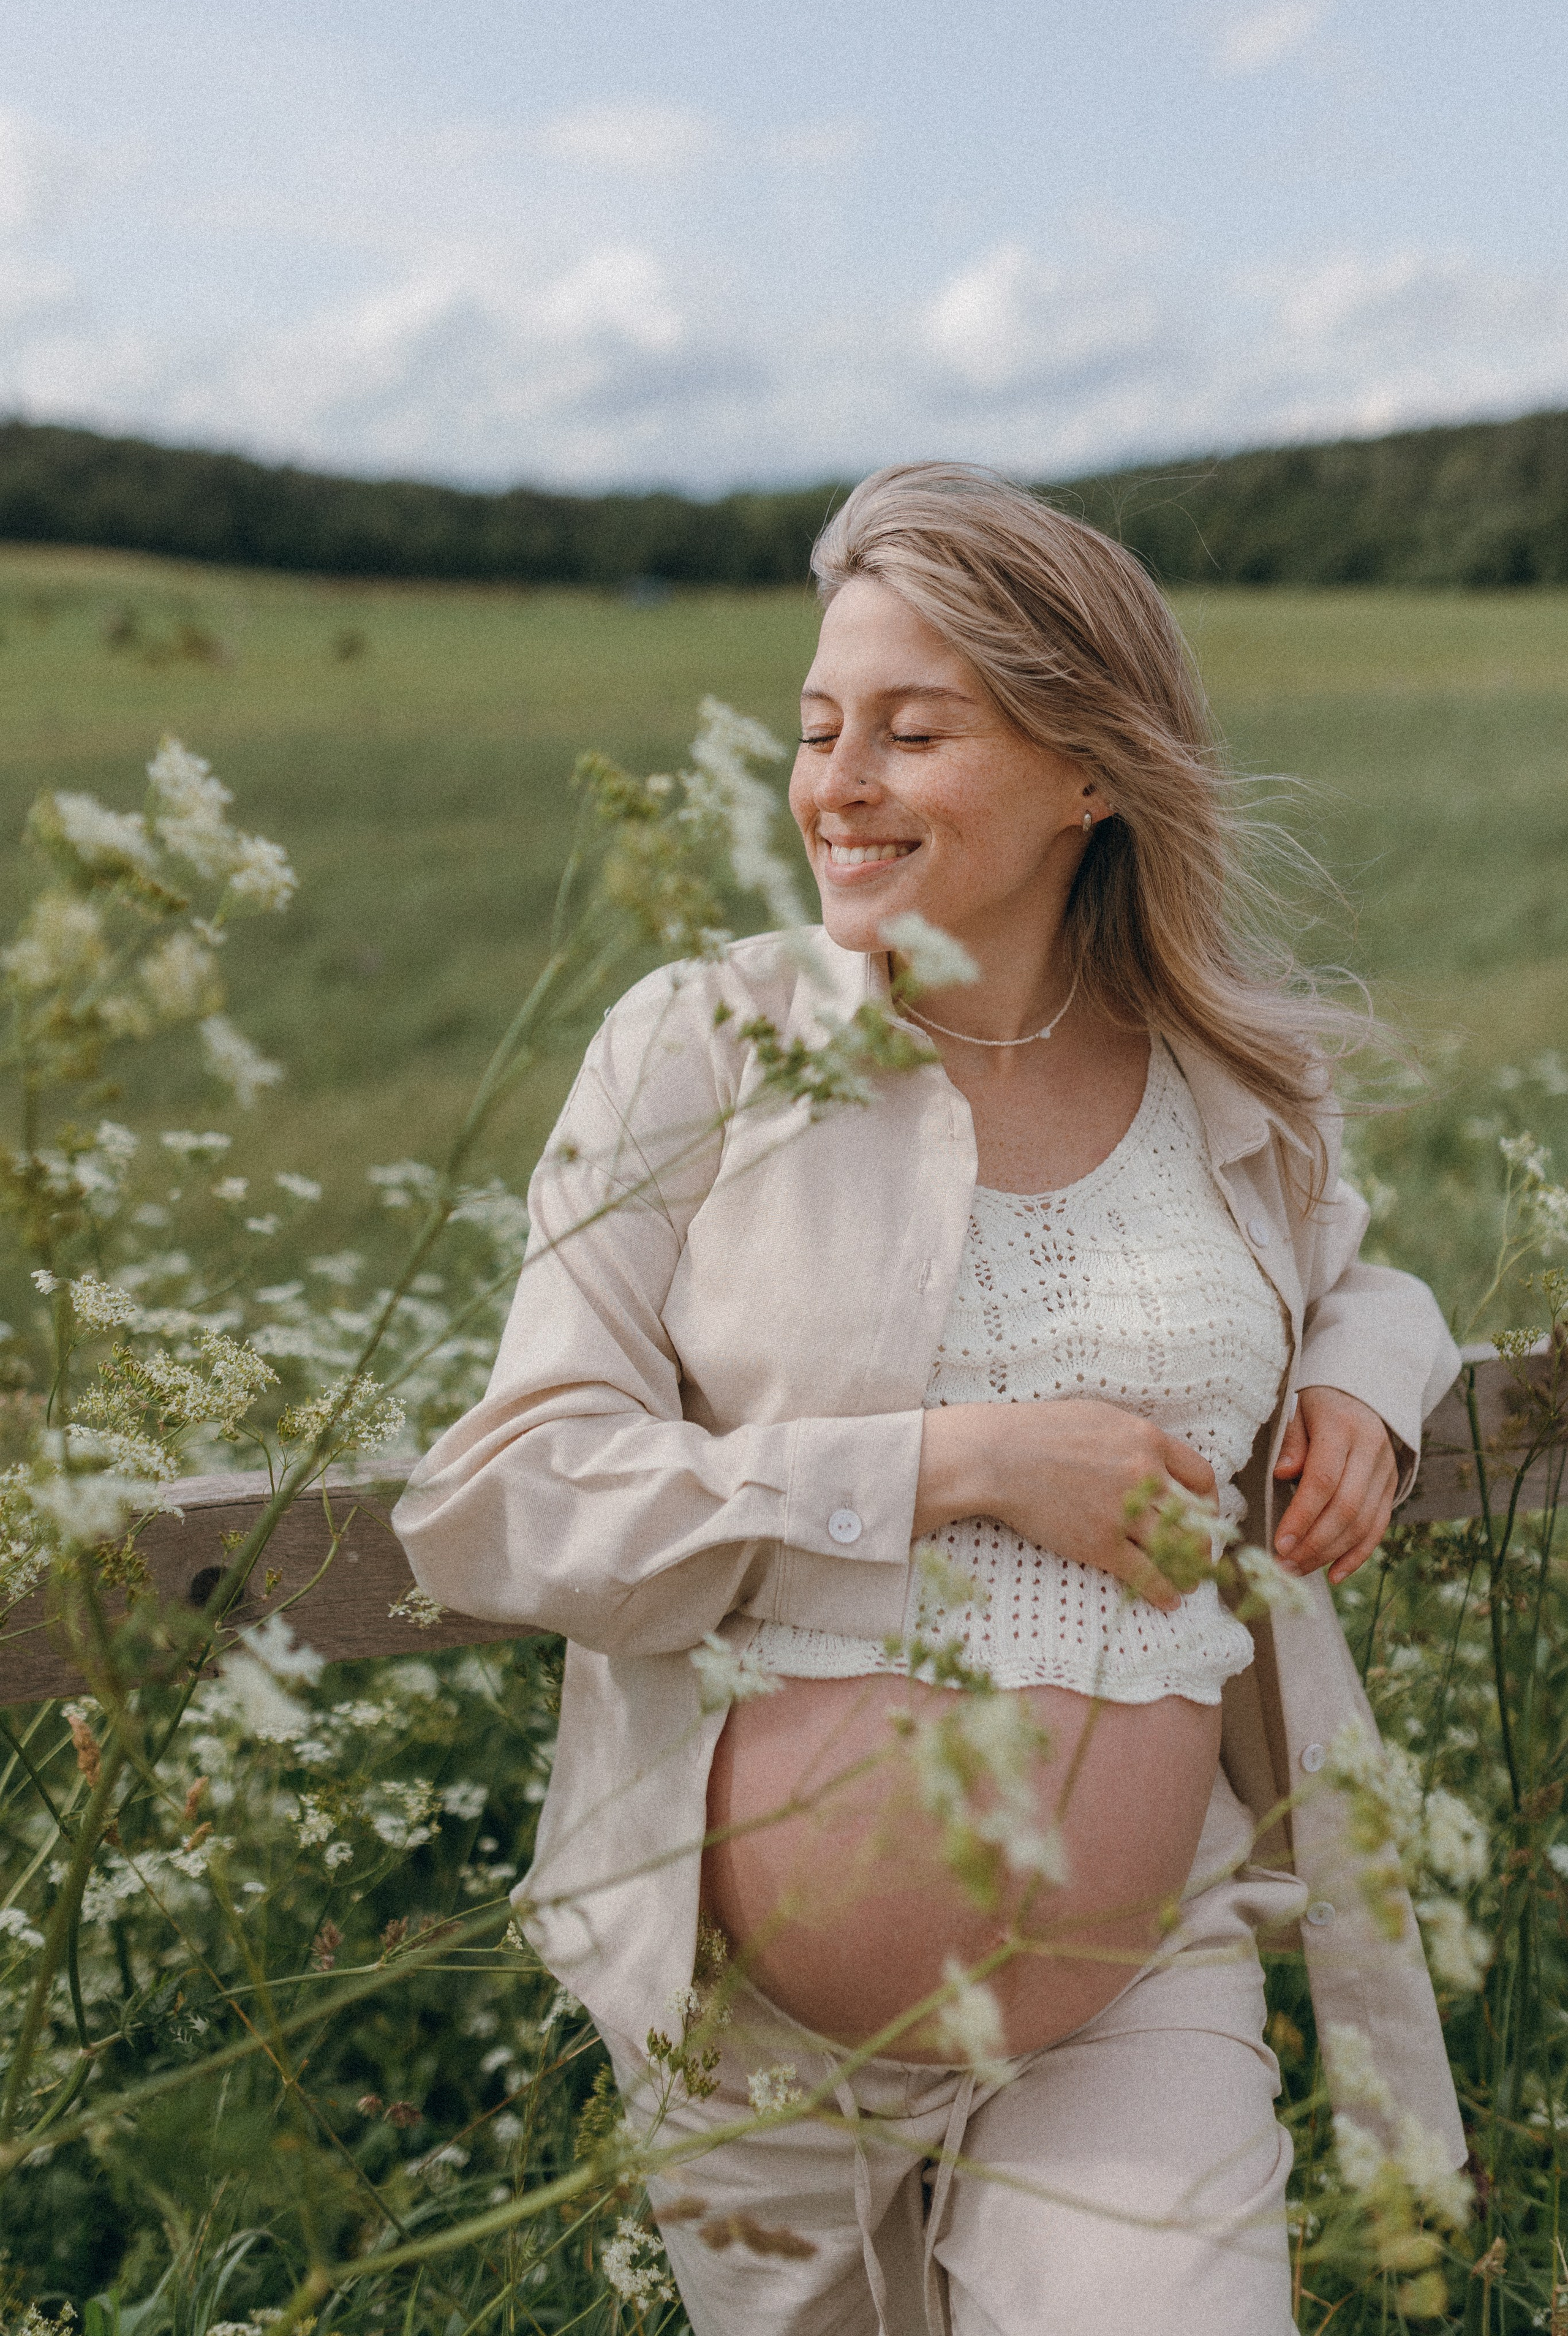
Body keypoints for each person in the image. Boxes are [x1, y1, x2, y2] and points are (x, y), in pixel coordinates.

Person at [394, 463, 1465, 2336]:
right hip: (769, 2047)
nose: (839, 782)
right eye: (821, 729)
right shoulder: (703, 1051)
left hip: (1135, 1987)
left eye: (912, 728)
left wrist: (1368, 1379)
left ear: (1090, 771)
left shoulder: (1229, 1083)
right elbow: (509, 1493)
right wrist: (953, 1468)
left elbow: (1353, 1269)